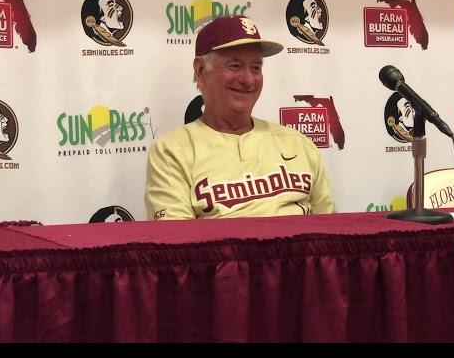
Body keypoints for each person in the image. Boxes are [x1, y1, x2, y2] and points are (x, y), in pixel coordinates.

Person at [144, 15, 336, 220]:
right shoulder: (171, 151)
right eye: (234, 65)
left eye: (256, 67)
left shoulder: (298, 143)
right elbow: (178, 245)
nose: (248, 79)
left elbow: (331, 231)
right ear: (200, 70)